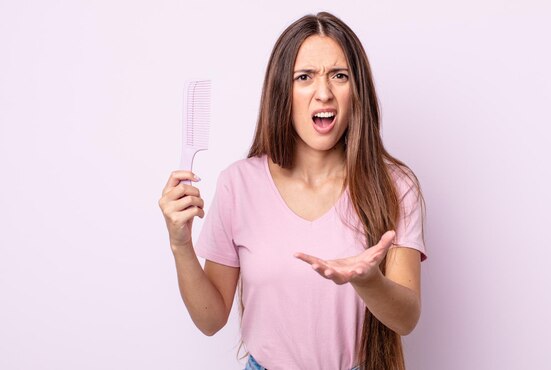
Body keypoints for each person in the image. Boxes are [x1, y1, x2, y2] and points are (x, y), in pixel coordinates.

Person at [158, 11, 426, 370]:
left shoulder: (395, 186)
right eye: (305, 77)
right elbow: (211, 320)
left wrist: (369, 281)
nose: (324, 93)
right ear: (283, 89)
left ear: (356, 89)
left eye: (339, 76)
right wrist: (180, 245)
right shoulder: (239, 184)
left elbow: (406, 319)